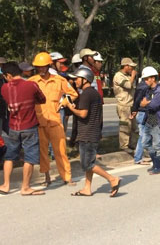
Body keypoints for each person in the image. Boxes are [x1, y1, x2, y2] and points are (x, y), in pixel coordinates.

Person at [61, 68, 121, 197]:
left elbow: (83, 114)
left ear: (84, 79)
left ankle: (112, 179)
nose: (74, 81)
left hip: (87, 133)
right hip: (92, 132)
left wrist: (71, 108)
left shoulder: (86, 94)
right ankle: (87, 188)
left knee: (87, 164)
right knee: (89, 162)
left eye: (77, 79)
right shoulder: (94, 94)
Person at [29, 52, 78, 187]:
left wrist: (63, 103)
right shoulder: (32, 82)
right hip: (39, 122)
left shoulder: (59, 80)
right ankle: (47, 176)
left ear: (49, 65)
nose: (41, 69)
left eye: (43, 66)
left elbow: (73, 94)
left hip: (55, 121)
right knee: (43, 152)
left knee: (60, 150)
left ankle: (67, 177)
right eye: (38, 67)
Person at [0, 62, 47, 196]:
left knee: (10, 157)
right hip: (29, 126)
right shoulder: (31, 85)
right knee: (29, 158)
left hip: (13, 126)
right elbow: (42, 99)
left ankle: (5, 185)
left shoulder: (4, 88)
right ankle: (25, 187)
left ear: (8, 75)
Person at [139, 66, 160, 174]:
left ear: (152, 78)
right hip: (150, 118)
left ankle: (158, 166)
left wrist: (145, 104)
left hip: (157, 119)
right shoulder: (148, 91)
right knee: (145, 142)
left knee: (156, 145)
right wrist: (144, 104)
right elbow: (142, 103)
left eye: (146, 79)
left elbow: (153, 105)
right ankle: (155, 162)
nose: (145, 81)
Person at [112, 58, 138, 152]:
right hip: (123, 104)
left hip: (131, 104)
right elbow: (128, 85)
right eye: (131, 67)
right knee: (125, 126)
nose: (133, 69)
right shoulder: (119, 76)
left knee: (133, 126)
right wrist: (133, 76)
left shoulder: (127, 76)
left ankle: (133, 144)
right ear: (126, 66)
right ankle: (124, 145)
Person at [131, 76, 150, 165]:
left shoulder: (142, 87)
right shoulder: (144, 87)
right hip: (143, 113)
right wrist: (134, 110)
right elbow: (138, 100)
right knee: (143, 136)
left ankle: (151, 155)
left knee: (148, 135)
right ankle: (138, 158)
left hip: (145, 113)